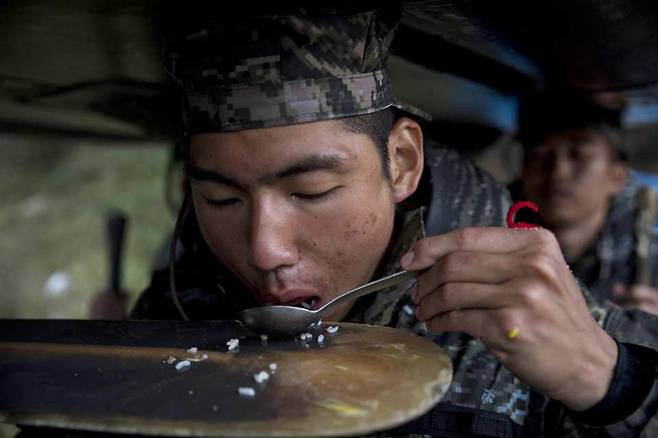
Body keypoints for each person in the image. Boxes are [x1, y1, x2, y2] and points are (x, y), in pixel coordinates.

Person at [132, 6, 658, 436]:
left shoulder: (507, 310)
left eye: (311, 192)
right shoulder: (178, 304)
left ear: (402, 162)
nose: (264, 250)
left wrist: (610, 380)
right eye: (222, 199)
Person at [514, 93, 658, 316]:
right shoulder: (490, 238)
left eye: (578, 155)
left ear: (617, 176)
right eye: (539, 155)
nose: (557, 173)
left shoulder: (648, 263)